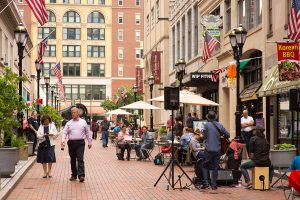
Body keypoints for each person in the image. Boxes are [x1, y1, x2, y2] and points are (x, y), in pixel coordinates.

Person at [61, 107, 92, 183]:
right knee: (72, 159)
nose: (73, 114)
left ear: (78, 113)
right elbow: (64, 132)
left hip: (80, 143)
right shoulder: (69, 123)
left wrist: (90, 142)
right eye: (72, 113)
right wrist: (63, 140)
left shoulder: (83, 122)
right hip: (71, 143)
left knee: (80, 159)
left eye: (74, 112)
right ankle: (74, 175)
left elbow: (88, 132)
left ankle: (81, 175)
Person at [201, 110, 230, 190]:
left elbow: (204, 137)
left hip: (209, 149)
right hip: (217, 149)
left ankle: (206, 183)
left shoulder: (206, 125)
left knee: (204, 165)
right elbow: (228, 135)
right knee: (215, 167)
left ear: (208, 118)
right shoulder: (220, 125)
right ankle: (214, 185)